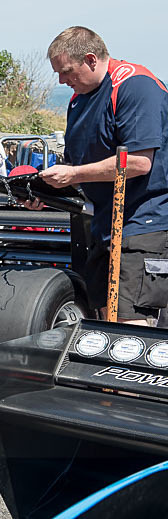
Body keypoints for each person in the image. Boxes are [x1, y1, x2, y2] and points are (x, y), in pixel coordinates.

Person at [29, 26, 168, 325]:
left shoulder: (135, 86)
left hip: (144, 224)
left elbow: (138, 162)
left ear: (91, 59)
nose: (61, 80)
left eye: (66, 71)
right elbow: (78, 168)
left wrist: (73, 174)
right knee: (104, 320)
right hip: (103, 225)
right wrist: (45, 193)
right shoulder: (78, 100)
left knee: (130, 324)